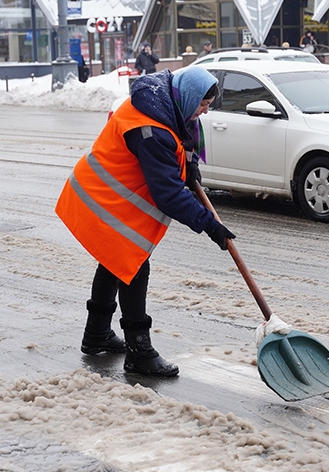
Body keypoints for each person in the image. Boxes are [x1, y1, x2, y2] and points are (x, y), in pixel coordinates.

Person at [55, 66, 235, 378]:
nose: (203, 113)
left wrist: (189, 167)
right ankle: (140, 352)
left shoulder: (163, 103)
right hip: (102, 198)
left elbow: (183, 139)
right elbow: (168, 195)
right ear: (187, 97)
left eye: (208, 106)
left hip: (109, 194)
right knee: (134, 266)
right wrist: (210, 225)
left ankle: (96, 334)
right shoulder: (152, 131)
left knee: (115, 263)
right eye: (202, 105)